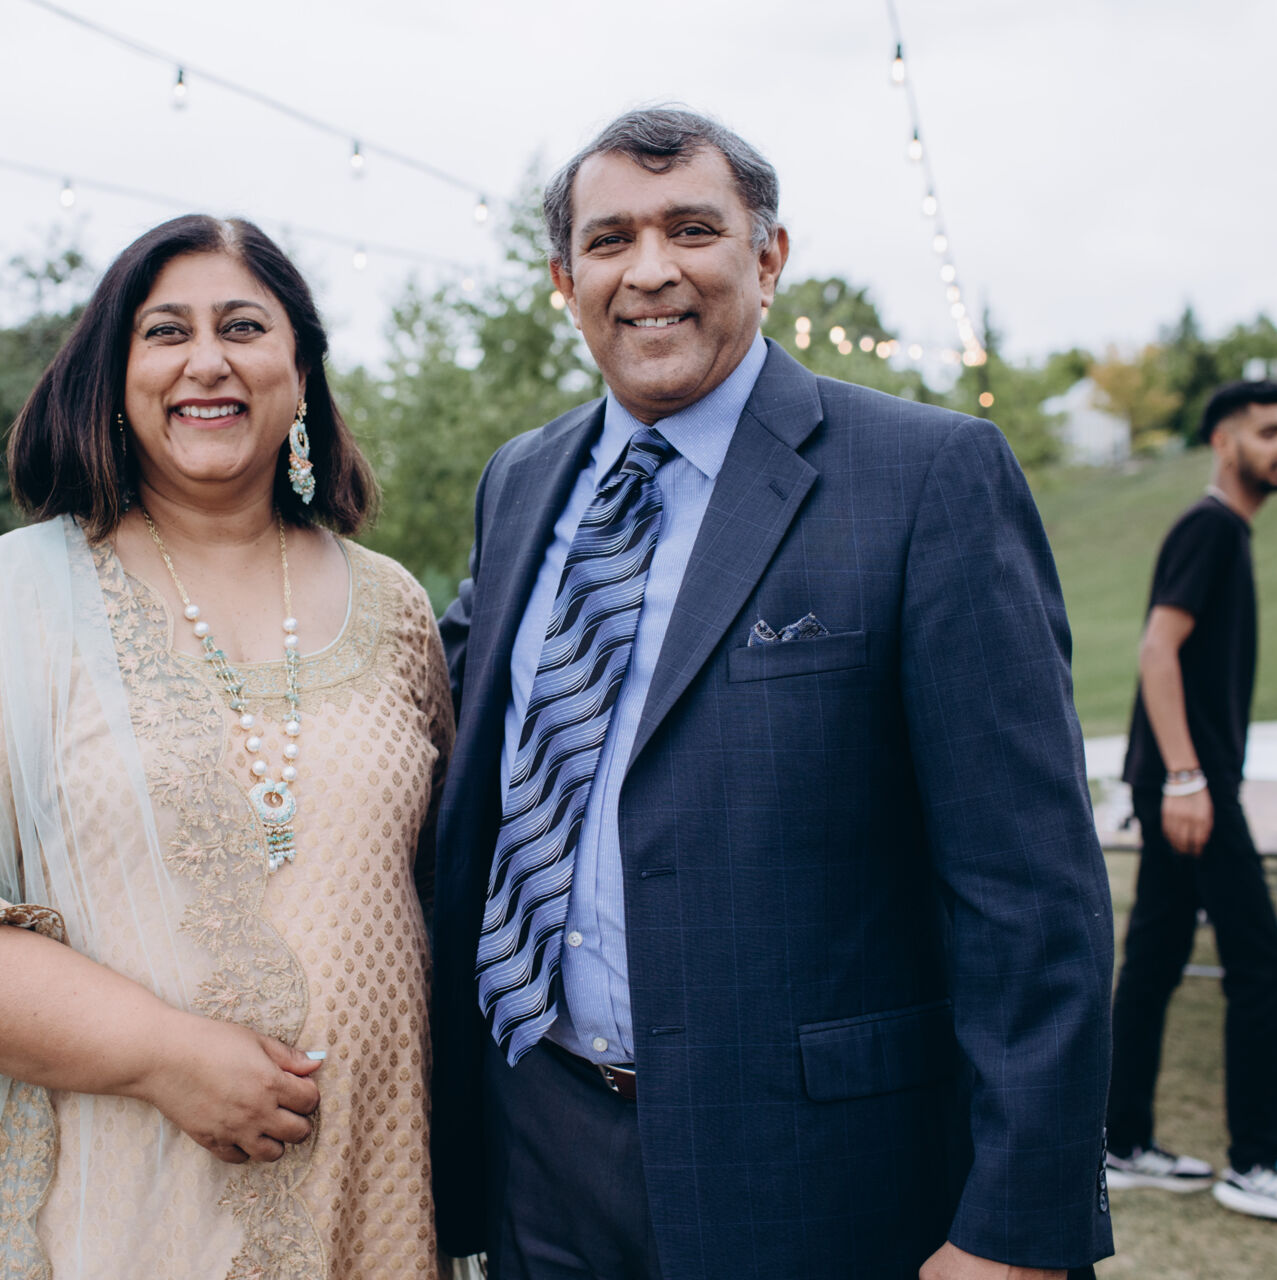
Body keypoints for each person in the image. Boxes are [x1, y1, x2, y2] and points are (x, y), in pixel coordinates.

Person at [429, 108, 1115, 1280]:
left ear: (769, 255)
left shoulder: (926, 476)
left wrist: (1018, 1227)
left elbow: (1031, 887)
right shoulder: (522, 480)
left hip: (819, 1173)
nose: (651, 270)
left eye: (693, 229)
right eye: (610, 240)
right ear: (564, 279)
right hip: (541, 1142)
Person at [0, 214, 455, 1278]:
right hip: (120, 1202)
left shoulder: (395, 606)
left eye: (243, 326)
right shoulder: (17, 601)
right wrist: (161, 1054)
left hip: (375, 1191)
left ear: (302, 370)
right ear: (115, 378)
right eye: (166, 331)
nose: (207, 360)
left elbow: (441, 888)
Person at [1105, 381, 1277, 1223]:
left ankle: (1120, 1141)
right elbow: (1157, 651)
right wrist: (1185, 778)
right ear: (1224, 441)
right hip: (1191, 785)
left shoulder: (1225, 533)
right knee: (1261, 964)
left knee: (1155, 958)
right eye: (1270, 431)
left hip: (1184, 781)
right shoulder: (1209, 527)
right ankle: (1258, 1163)